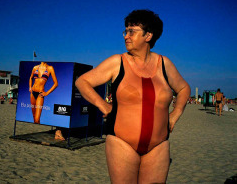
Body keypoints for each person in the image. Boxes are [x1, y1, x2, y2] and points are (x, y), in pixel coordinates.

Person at [75, 9, 190, 183]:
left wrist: (175, 114)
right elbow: (82, 82)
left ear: (148, 36)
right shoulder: (117, 62)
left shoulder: (164, 64)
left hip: (158, 146)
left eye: (131, 31)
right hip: (122, 144)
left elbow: (183, 88)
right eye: (125, 31)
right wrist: (103, 105)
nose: (126, 36)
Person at [29, 62, 64, 140]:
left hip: (40, 94)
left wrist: (47, 93)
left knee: (37, 118)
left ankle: (56, 133)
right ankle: (37, 136)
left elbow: (56, 83)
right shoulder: (35, 67)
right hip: (33, 93)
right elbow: (31, 77)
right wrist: (30, 87)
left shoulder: (50, 68)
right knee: (34, 117)